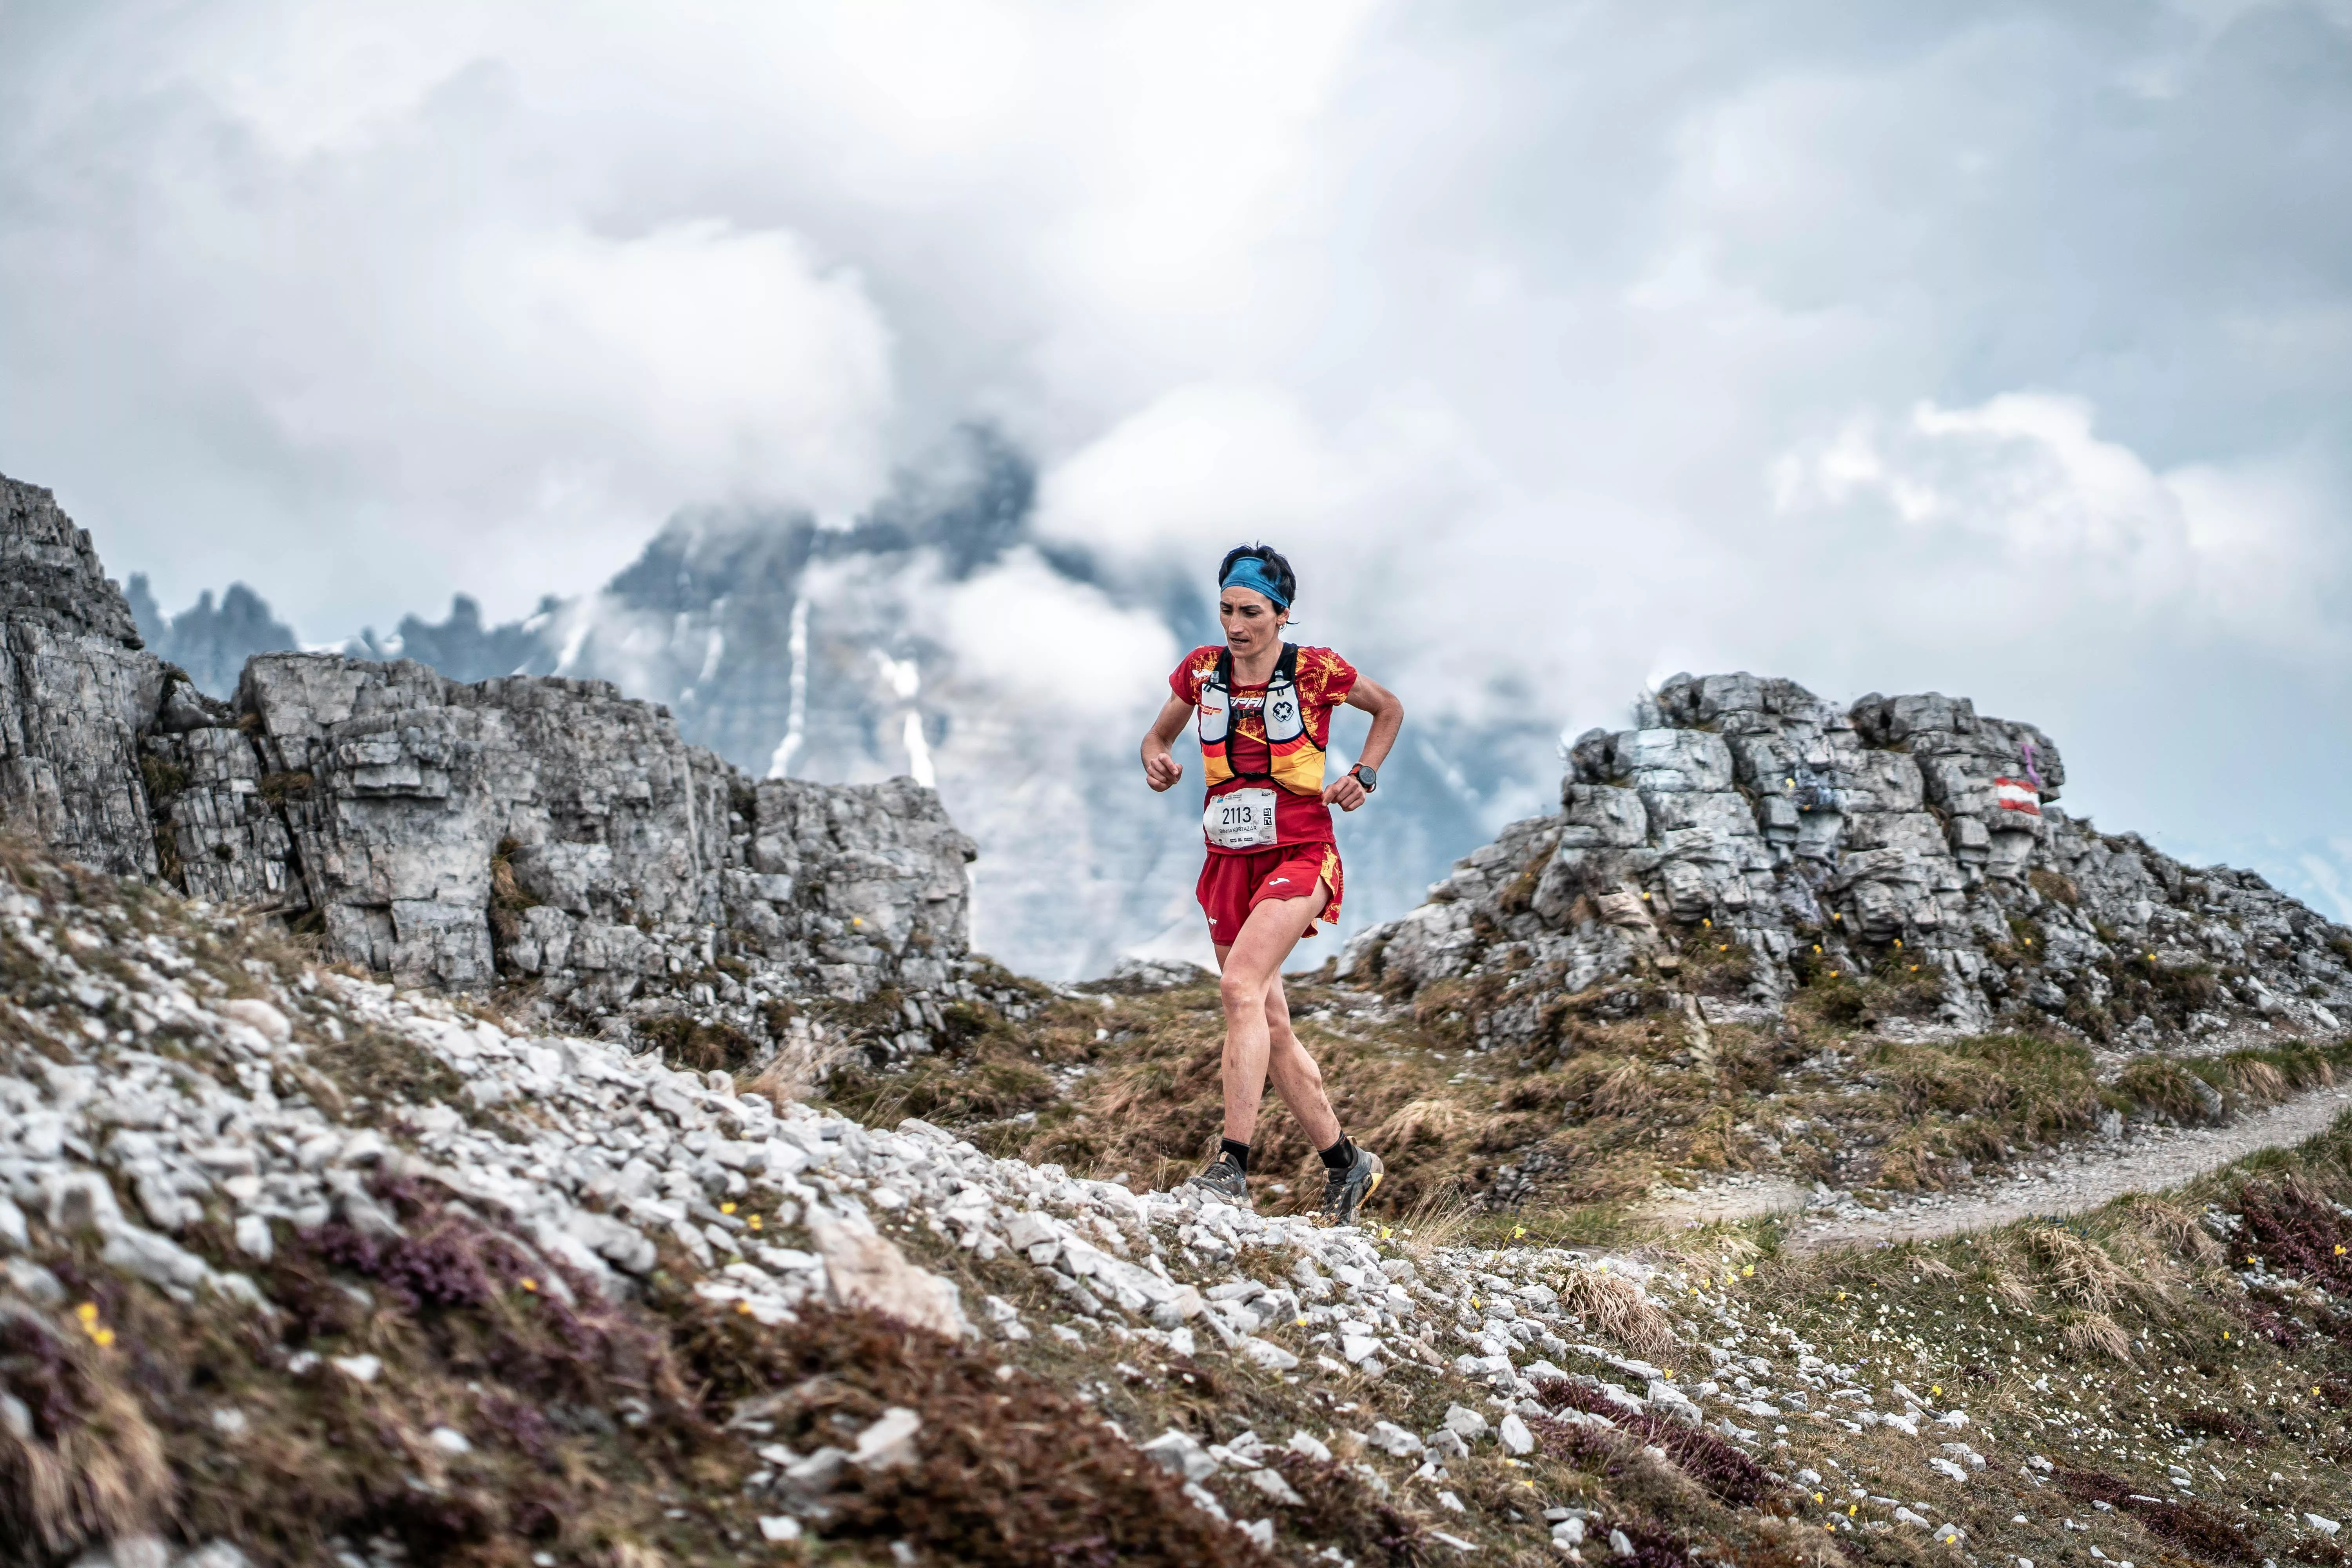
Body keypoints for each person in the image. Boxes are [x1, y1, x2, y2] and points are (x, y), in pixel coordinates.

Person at [1140, 544, 1404, 1224]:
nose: (1235, 624)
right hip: (1227, 860)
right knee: (1271, 1023)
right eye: (1226, 609)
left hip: (1302, 852)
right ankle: (1348, 1165)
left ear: (1281, 615)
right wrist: (1158, 760)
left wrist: (1364, 775)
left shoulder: (1317, 671)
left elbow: (1389, 709)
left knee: (1238, 988)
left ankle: (1231, 1167)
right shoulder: (1201, 672)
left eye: (1251, 611)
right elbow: (1155, 739)